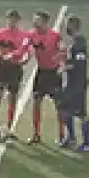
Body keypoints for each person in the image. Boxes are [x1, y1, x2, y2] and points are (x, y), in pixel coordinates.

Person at [0, 10, 29, 141]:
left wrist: (24, 60)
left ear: (18, 20)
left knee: (12, 98)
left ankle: (10, 128)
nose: (11, 22)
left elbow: (27, 51)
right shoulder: (0, 33)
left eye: (14, 19)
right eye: (9, 19)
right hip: (1, 68)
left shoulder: (23, 35)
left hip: (15, 69)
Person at [26, 10, 62, 145]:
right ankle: (36, 134)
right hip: (41, 72)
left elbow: (63, 51)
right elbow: (26, 48)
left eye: (38, 20)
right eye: (34, 20)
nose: (35, 22)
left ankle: (61, 135)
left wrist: (59, 62)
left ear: (45, 22)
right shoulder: (31, 34)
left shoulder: (55, 36)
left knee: (59, 105)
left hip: (54, 73)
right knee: (36, 103)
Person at [56, 15, 89, 152]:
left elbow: (79, 63)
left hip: (78, 83)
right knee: (63, 108)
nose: (65, 27)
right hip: (72, 82)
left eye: (67, 25)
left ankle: (86, 143)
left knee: (81, 113)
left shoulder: (80, 42)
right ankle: (71, 138)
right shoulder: (75, 42)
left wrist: (64, 66)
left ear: (73, 26)